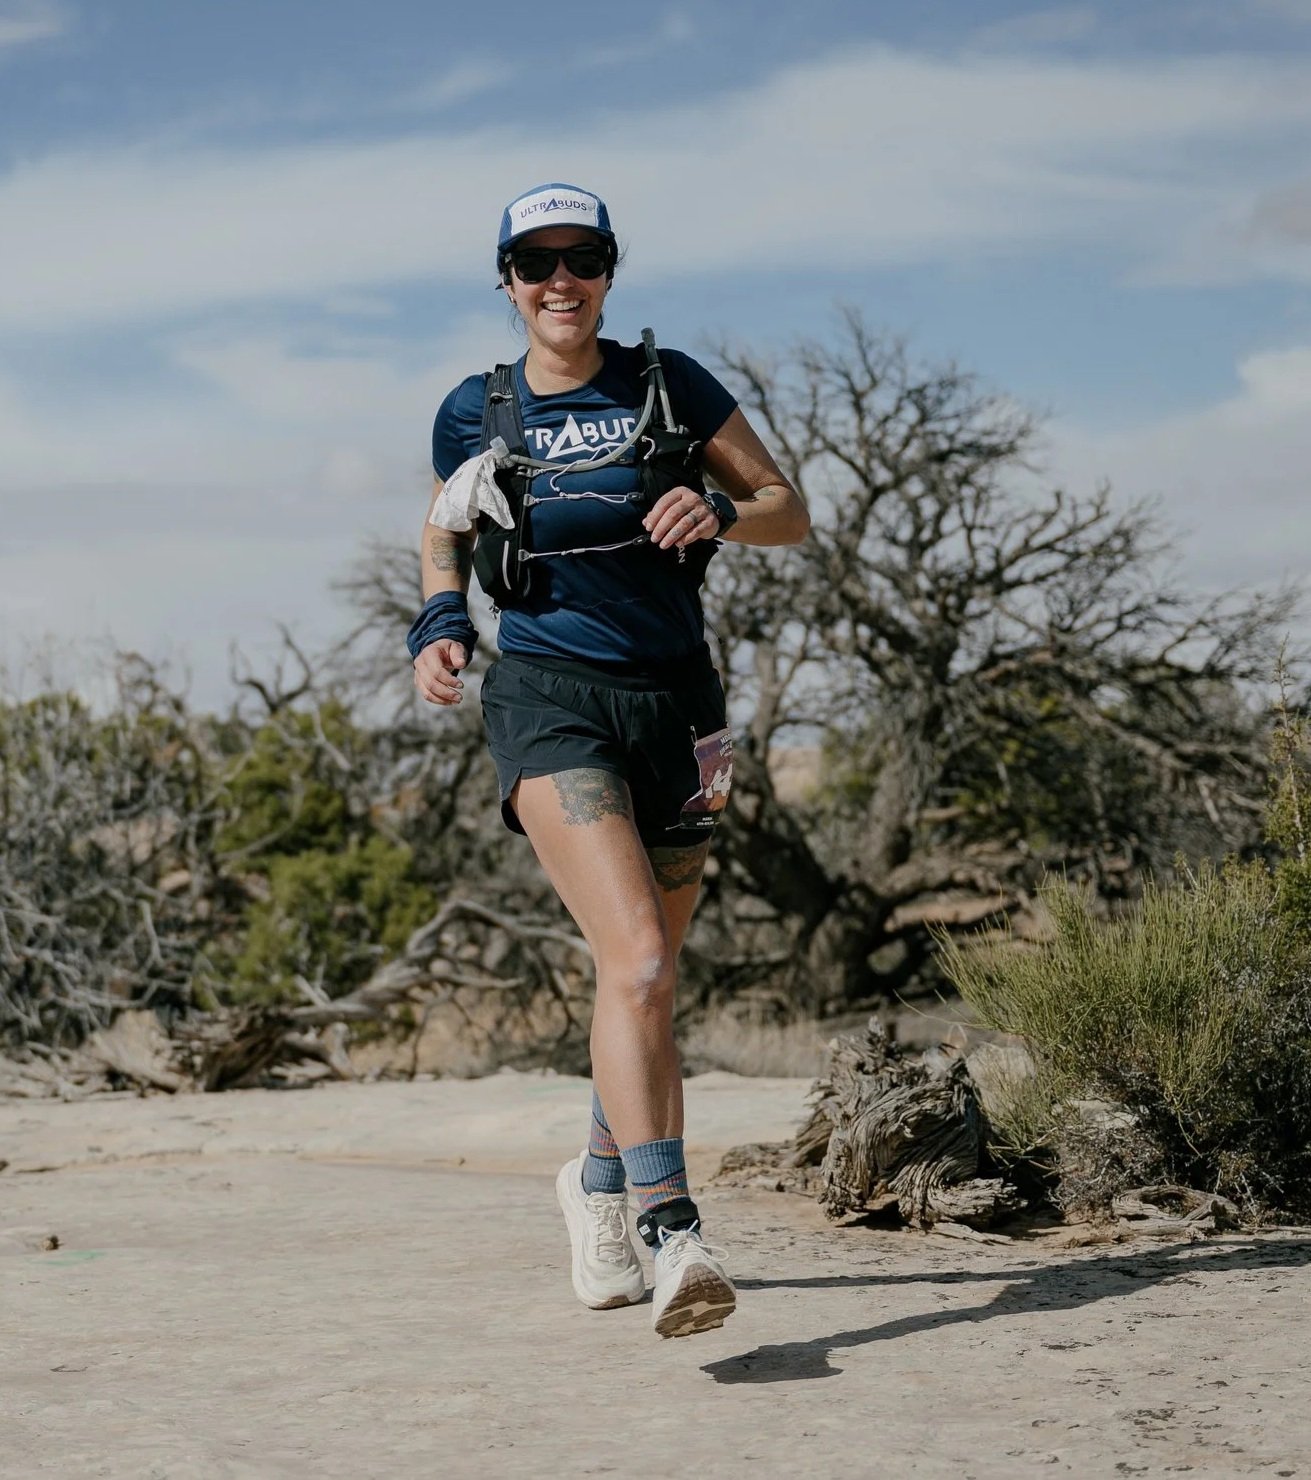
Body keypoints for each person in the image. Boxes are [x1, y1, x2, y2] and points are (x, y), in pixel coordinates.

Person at [408, 183, 809, 1339]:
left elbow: (787, 507)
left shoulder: (668, 385)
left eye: (580, 259)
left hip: (682, 707)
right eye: (535, 264)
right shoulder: (476, 409)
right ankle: (671, 1231)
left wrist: (721, 512)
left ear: (609, 271)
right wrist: (440, 621)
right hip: (549, 698)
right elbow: (444, 524)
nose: (559, 281)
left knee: (650, 978)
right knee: (633, 959)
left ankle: (593, 1183)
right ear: (507, 282)